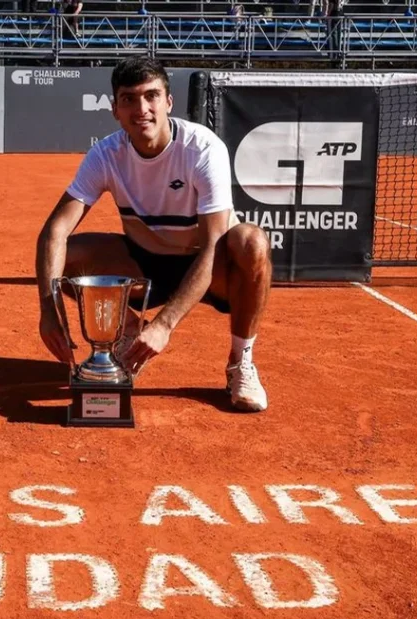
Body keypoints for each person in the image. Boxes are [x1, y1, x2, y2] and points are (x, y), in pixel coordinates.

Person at [34, 56, 273, 412]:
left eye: (151, 96)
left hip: (210, 267)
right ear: (115, 109)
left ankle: (242, 361)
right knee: (65, 254)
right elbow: (55, 230)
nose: (141, 108)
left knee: (251, 241)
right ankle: (128, 327)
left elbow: (211, 247)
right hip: (144, 266)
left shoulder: (202, 149)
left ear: (168, 102)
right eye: (129, 99)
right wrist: (48, 309)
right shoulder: (106, 154)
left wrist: (164, 325)